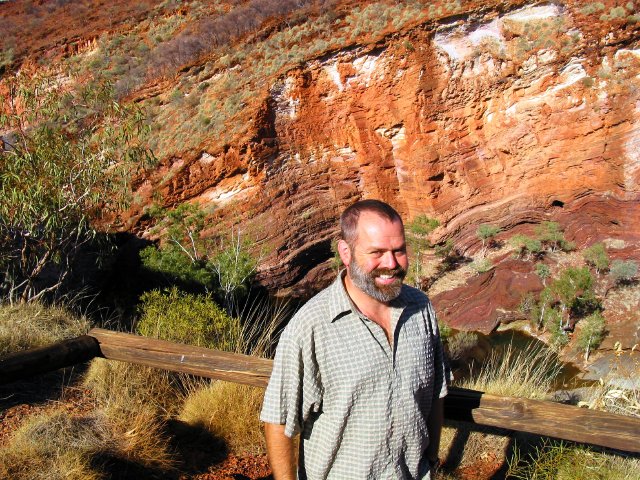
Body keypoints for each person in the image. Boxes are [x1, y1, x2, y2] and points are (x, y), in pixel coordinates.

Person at [260, 199, 448, 479]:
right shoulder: (312, 325)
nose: (391, 264)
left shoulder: (421, 309)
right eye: (377, 252)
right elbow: (278, 421)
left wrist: (430, 459)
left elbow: (436, 395)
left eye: (399, 251)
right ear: (345, 252)